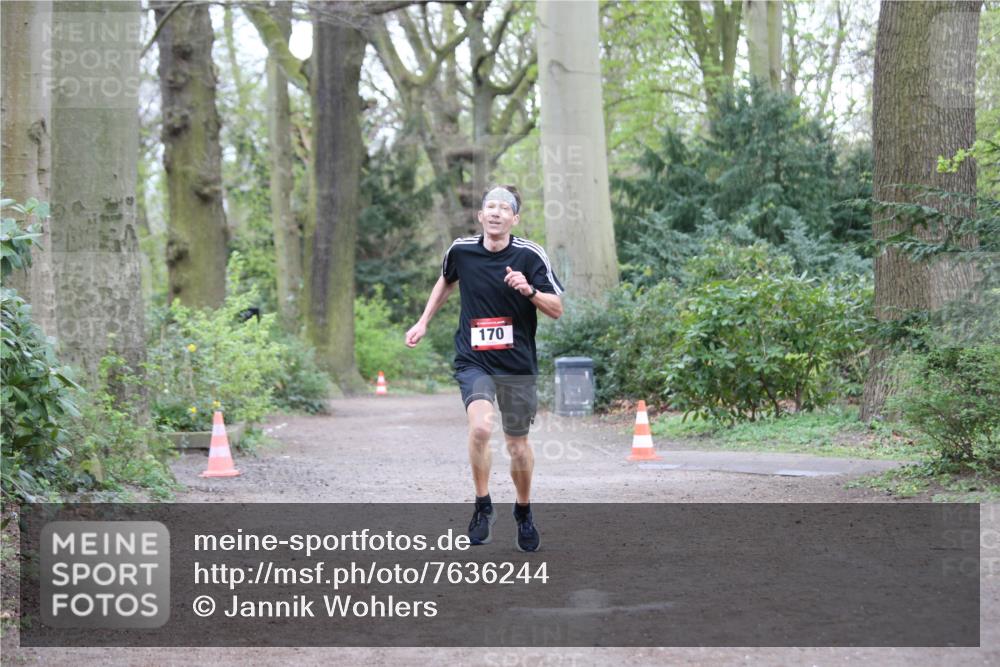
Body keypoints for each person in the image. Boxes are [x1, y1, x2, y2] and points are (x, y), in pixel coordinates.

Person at [405, 185, 563, 552]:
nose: (495, 212)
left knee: (517, 445)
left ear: (514, 218)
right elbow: (446, 280)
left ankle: (523, 511)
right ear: (480, 216)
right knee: (480, 428)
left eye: (503, 208)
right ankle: (482, 505)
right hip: (474, 358)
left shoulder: (530, 256)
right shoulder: (461, 250)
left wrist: (529, 291)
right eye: (489, 206)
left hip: (517, 363)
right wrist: (423, 321)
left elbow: (556, 308)